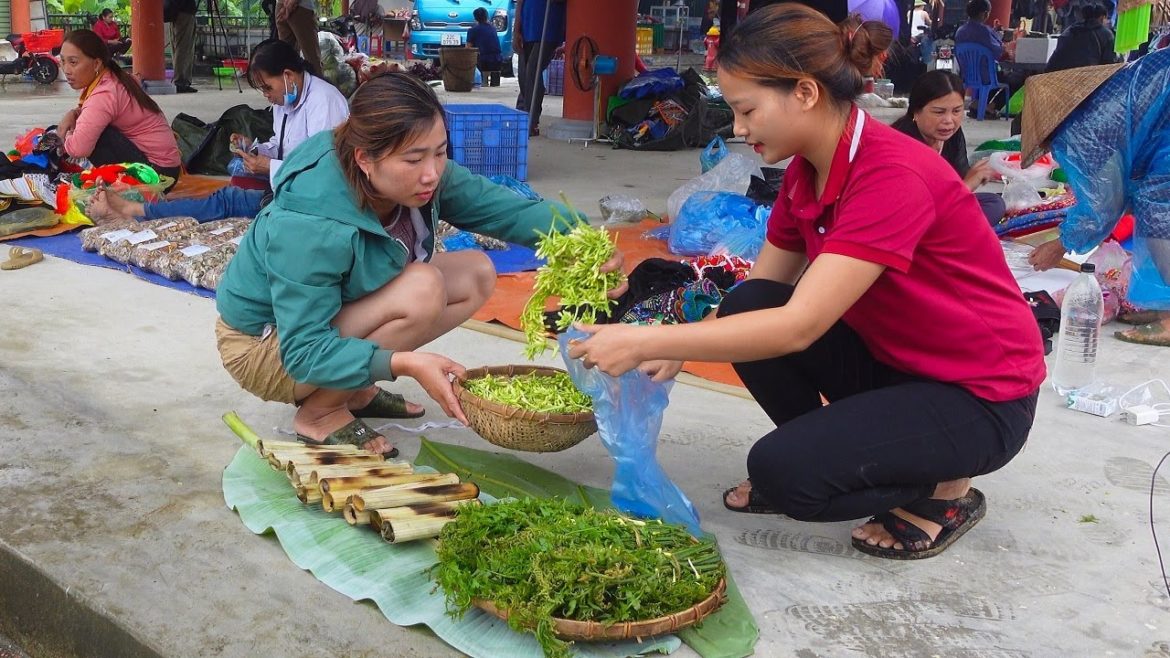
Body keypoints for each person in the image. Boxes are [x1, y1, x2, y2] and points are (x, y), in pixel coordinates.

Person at [567, 4, 1044, 560]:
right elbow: (761, 292)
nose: (739, 130)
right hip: (900, 367)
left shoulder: (892, 175)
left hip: (981, 396)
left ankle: (943, 488)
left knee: (785, 473)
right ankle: (846, 457)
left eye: (747, 110)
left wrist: (648, 340)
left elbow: (798, 327)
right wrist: (680, 344)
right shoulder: (805, 171)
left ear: (805, 93)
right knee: (748, 301)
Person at [213, 72, 625, 456]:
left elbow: (502, 210)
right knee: (423, 288)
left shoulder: (421, 173)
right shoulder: (310, 225)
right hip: (266, 346)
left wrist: (583, 241)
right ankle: (319, 413)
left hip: (332, 317)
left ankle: (350, 389)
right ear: (364, 159)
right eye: (413, 160)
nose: (431, 174)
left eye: (440, 153)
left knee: (475, 273)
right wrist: (402, 363)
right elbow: (303, 353)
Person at [90, 39, 349, 224]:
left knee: (226, 199)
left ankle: (134, 210)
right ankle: (136, 209)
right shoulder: (287, 98)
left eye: (267, 88)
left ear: (288, 75)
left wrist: (267, 167)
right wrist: (254, 149)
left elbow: (323, 173)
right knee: (226, 193)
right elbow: (286, 147)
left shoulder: (324, 102)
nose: (267, 97)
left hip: (312, 202)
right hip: (290, 185)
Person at [1023, 51, 1170, 346]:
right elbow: (1120, 189)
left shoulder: (1082, 132)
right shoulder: (1100, 103)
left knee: (1158, 210)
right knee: (1152, 200)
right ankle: (1164, 307)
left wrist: (1060, 245)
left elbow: (1102, 204)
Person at [56, 30, 182, 180]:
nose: (66, 70)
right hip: (168, 168)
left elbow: (78, 149)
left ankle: (127, 187)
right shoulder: (111, 77)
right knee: (89, 126)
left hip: (157, 175)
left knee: (95, 135)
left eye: (73, 62)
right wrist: (74, 114)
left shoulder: (105, 93)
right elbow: (89, 113)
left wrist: (65, 136)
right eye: (63, 61)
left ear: (96, 63)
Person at [891, 70, 1007, 224]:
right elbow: (912, 207)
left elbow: (956, 190)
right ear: (916, 112)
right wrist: (968, 184)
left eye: (957, 111)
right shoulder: (901, 144)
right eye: (939, 112)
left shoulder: (953, 136)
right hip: (909, 218)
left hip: (943, 211)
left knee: (994, 203)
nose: (949, 120)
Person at [513, 0, 566, 136]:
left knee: (533, 72)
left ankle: (531, 120)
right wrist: (516, 30)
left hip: (548, 29)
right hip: (528, 28)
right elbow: (520, 3)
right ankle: (524, 113)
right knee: (524, 75)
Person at [1045, 2, 1117, 72]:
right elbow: (1110, 66)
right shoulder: (1107, 34)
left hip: (1055, 74)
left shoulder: (1070, 29)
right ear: (1102, 17)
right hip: (1085, 77)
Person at [275, 0, 322, 79]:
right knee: (310, 56)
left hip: (286, 5)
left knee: (287, 56)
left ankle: (291, 87)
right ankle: (316, 87)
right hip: (299, 7)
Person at [163, 0, 198, 94]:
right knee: (184, 47)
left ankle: (180, 80)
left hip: (174, 10)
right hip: (184, 10)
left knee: (178, 46)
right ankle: (181, 81)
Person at [467, 7, 504, 87]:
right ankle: (494, 83)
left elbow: (468, 49)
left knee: (472, 56)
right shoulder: (493, 28)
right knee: (495, 85)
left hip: (483, 62)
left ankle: (483, 82)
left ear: (475, 18)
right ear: (487, 16)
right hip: (498, 60)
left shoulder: (472, 30)